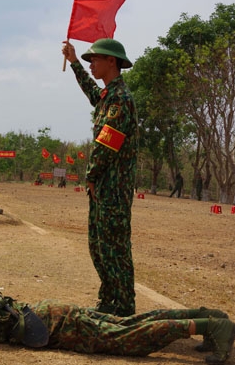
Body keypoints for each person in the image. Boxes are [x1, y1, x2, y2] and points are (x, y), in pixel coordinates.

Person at [0, 252, 235, 364]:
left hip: (53, 327)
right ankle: (208, 317)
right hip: (47, 315)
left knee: (126, 340)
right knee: (126, 323)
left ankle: (208, 327)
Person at [62, 38, 139, 317]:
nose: (91, 63)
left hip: (113, 188)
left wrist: (92, 175)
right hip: (105, 187)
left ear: (112, 62)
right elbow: (94, 94)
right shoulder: (109, 96)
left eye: (95, 59)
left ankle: (123, 307)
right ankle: (109, 301)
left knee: (114, 248)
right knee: (99, 247)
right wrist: (73, 63)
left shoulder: (121, 99)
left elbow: (108, 142)